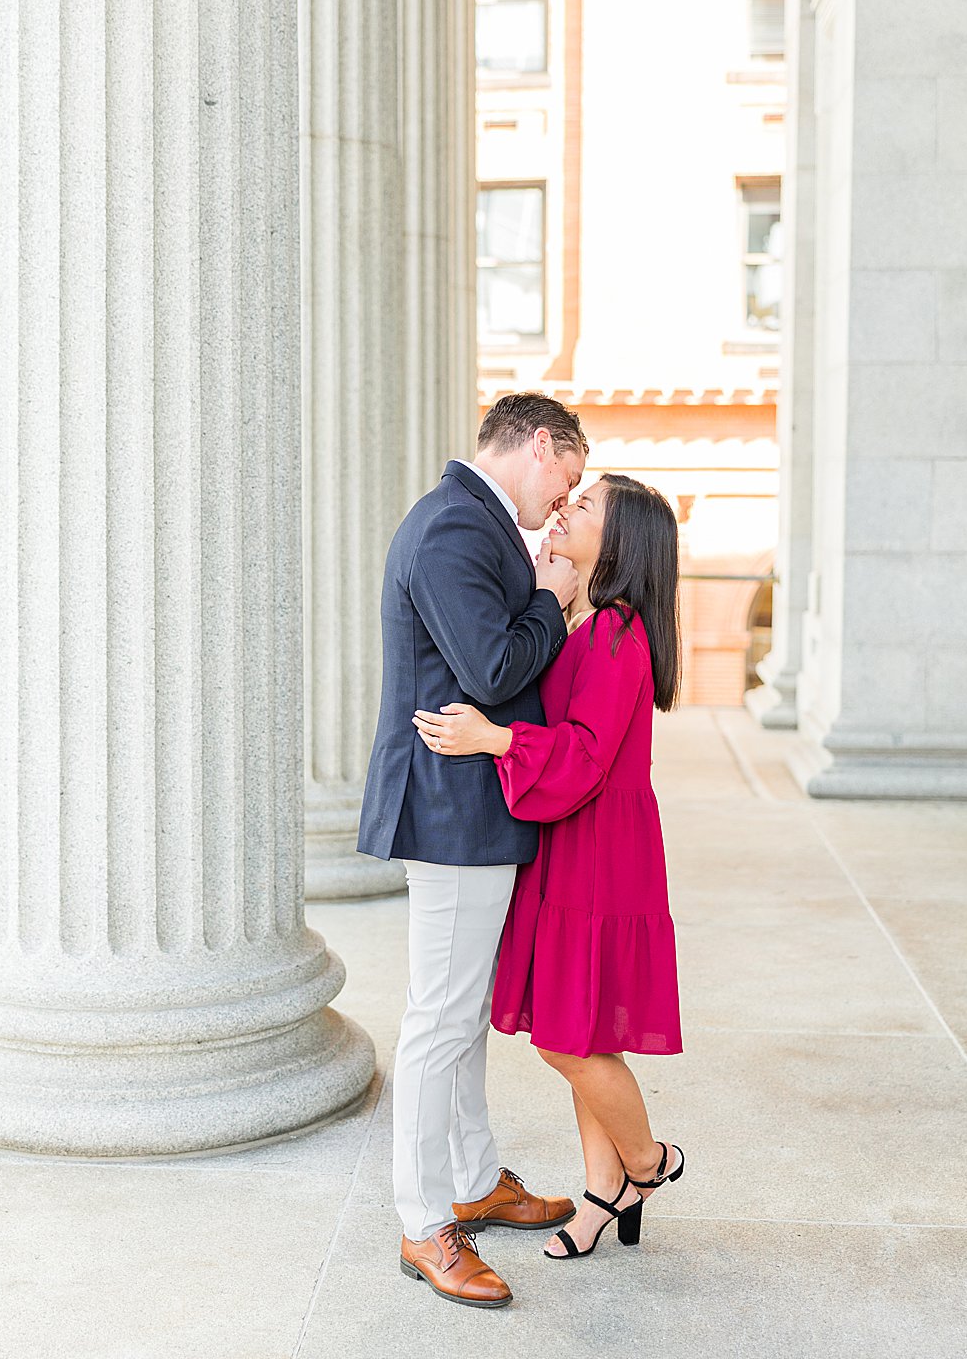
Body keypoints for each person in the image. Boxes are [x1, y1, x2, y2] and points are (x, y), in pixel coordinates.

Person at [413, 472, 688, 1263]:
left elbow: (587, 754)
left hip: (598, 849)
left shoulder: (613, 632)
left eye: (586, 504)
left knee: (566, 1037)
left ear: (622, 541)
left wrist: (493, 739)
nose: (567, 508)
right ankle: (605, 1195)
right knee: (588, 1025)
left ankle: (647, 1163)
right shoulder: (596, 623)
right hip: (585, 840)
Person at [359, 392, 589, 1310]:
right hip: (453, 809)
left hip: (474, 806)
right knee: (440, 1018)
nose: (559, 504)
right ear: (540, 445)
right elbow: (494, 671)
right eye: (565, 479)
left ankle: (473, 1176)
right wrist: (552, 596)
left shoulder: (469, 520)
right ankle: (424, 1225)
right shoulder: (454, 528)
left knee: (459, 1012)